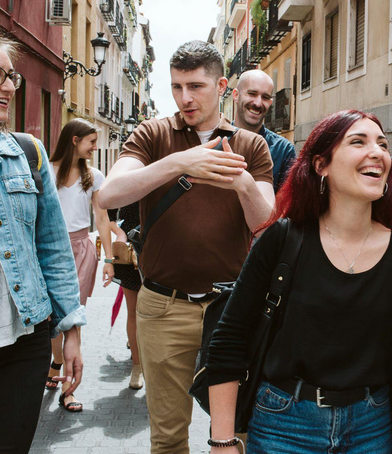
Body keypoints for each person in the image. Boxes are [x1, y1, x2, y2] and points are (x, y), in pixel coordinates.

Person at [205, 110, 392, 454]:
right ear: (320, 165)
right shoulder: (283, 240)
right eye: (358, 141)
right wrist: (222, 442)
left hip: (372, 429)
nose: (378, 152)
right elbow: (228, 341)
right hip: (284, 425)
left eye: (383, 144)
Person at [97, 40, 275, 454]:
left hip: (231, 309)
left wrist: (243, 184)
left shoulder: (250, 145)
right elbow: (109, 195)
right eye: (176, 87)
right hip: (162, 308)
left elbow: (266, 227)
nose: (185, 98)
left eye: (195, 86)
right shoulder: (153, 133)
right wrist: (182, 162)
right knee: (168, 439)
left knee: (240, 435)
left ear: (222, 86)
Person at [0, 29, 85, 451]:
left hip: (25, 342)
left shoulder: (27, 152)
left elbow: (53, 247)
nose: (8, 86)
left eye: (12, 77)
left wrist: (72, 329)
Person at [47, 118, 114, 412]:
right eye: (91, 142)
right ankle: (58, 361)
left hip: (83, 250)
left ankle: (68, 389)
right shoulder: (47, 172)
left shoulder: (94, 177)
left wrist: (110, 259)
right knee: (53, 316)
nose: (94, 148)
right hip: (51, 250)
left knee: (74, 316)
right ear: (74, 140)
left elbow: (102, 219)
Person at [232, 69, 295, 191]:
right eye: (252, 94)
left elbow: (287, 202)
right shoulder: (216, 140)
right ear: (236, 95)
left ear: (270, 102)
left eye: (265, 97)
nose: (258, 103)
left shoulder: (283, 150)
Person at [107, 202, 144, 389]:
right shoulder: (125, 176)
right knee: (134, 312)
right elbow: (108, 215)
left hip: (161, 249)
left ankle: (153, 368)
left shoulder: (167, 174)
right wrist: (120, 233)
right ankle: (137, 366)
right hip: (131, 252)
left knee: (163, 312)